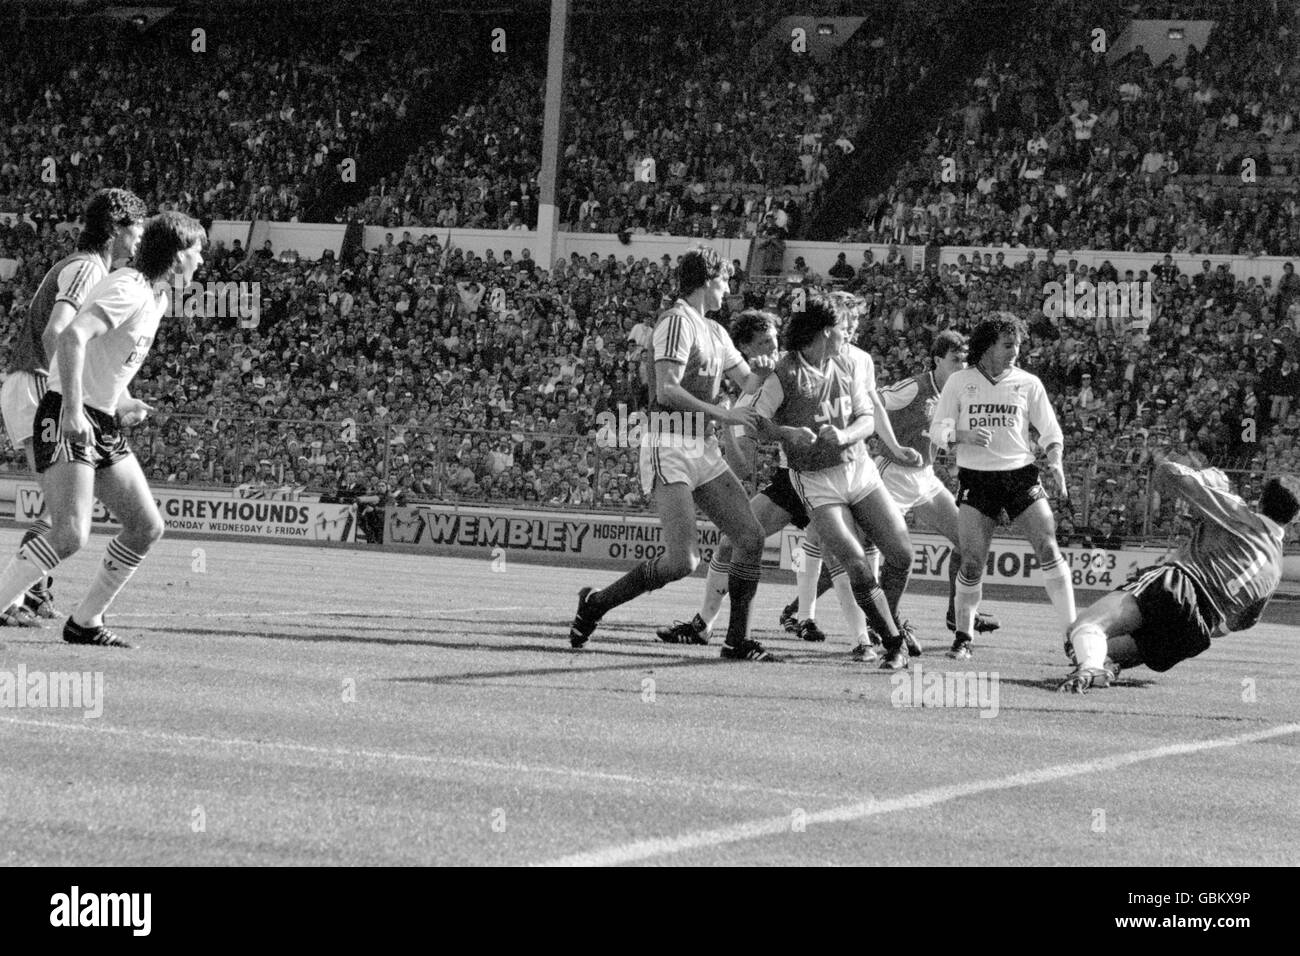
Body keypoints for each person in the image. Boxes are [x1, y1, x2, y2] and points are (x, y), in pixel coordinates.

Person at [0, 211, 206, 648]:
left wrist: (123, 400)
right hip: (66, 412)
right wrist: (73, 410)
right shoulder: (128, 288)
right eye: (197, 251)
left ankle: (85, 621)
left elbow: (106, 360)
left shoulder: (157, 298)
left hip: (101, 419)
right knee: (70, 533)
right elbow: (72, 337)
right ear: (174, 256)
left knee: (146, 526)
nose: (201, 261)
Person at [569, 247, 779, 662]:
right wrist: (724, 411)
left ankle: (737, 641)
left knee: (750, 537)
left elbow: (748, 382)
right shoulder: (675, 321)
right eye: (725, 280)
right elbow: (667, 388)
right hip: (669, 442)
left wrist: (767, 369)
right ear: (707, 279)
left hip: (702, 446)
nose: (729, 288)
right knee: (682, 561)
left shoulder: (715, 332)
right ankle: (595, 604)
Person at [0, 188, 147, 625]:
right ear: (117, 226)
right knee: (63, 512)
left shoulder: (89, 267)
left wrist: (119, 398)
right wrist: (71, 401)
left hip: (36, 383)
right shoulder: (87, 267)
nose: (139, 240)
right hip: (37, 383)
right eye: (136, 228)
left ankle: (27, 594)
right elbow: (57, 333)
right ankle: (18, 597)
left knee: (61, 509)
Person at [752, 294, 921, 670]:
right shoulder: (786, 374)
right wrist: (788, 433)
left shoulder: (848, 365)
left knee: (902, 554)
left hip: (858, 469)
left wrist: (845, 436)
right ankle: (894, 643)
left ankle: (883, 624)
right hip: (816, 482)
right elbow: (757, 422)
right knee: (856, 564)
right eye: (843, 329)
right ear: (826, 333)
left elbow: (866, 417)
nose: (848, 334)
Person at [1060, 465, 1300, 692]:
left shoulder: (1238, 513)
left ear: (1260, 500)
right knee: (1099, 649)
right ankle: (1102, 664)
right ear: (1295, 517)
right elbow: (1244, 621)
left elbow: (1169, 472)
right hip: (1197, 630)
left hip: (1177, 586)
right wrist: (1213, 624)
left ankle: (1091, 668)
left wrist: (1204, 478)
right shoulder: (1275, 569)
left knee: (1083, 629)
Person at [931, 314, 1074, 660]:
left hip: (1020, 475)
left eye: (1018, 345)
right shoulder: (960, 382)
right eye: (1008, 345)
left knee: (1048, 548)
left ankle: (1073, 634)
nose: (1016, 351)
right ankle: (963, 637)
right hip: (977, 480)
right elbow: (937, 432)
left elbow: (1052, 434)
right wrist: (962, 435)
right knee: (972, 562)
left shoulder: (1028, 383)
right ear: (988, 346)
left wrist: (1055, 459)